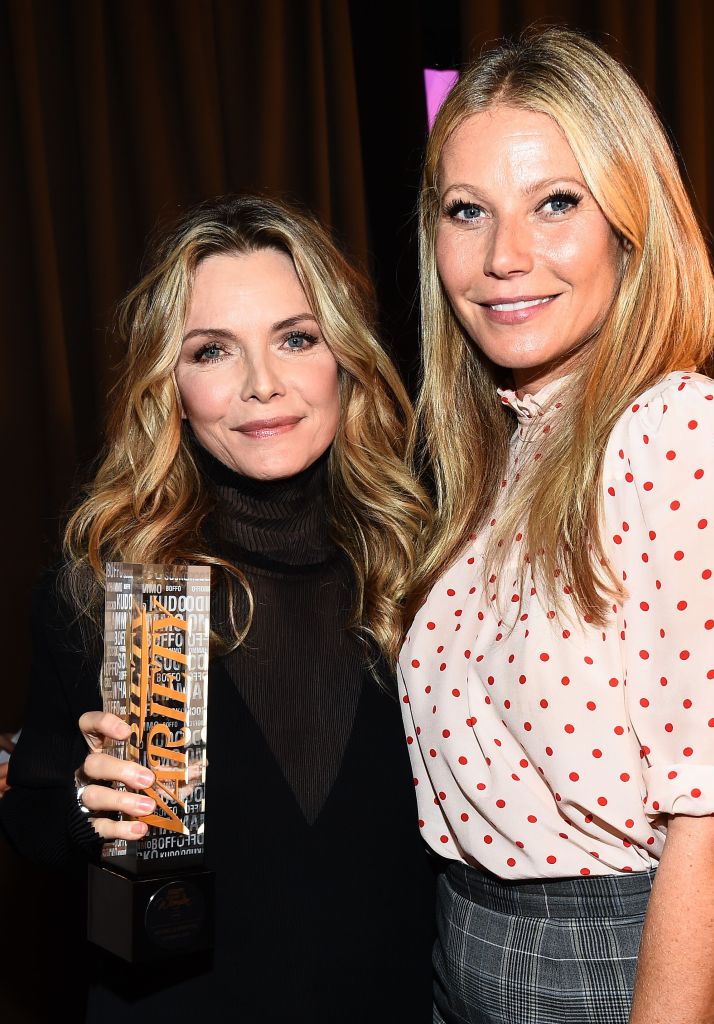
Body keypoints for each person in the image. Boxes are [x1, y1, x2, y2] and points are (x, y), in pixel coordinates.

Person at [399, 26, 714, 1024]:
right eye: (467, 211)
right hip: (464, 948)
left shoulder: (682, 427)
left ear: (629, 223)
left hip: (620, 971)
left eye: (556, 203)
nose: (504, 257)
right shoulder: (502, 451)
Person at [0, 194, 436, 1022]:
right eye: (212, 351)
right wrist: (87, 809)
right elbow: (31, 815)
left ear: (345, 358)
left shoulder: (424, 571)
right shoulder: (103, 589)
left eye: (296, 338)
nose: (262, 385)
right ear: (169, 384)